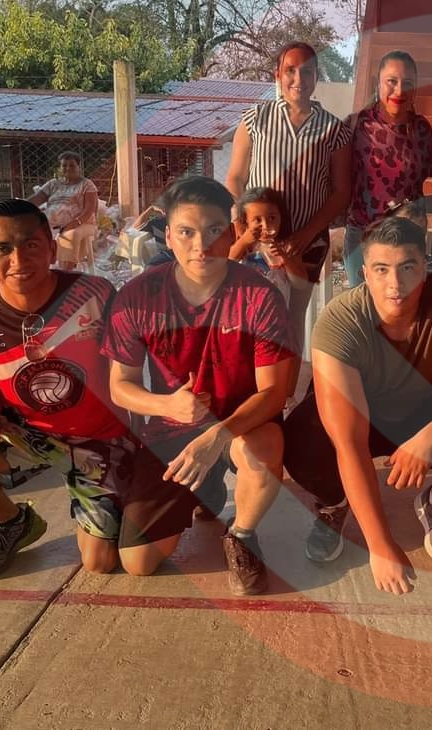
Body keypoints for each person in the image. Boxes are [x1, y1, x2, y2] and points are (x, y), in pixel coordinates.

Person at [0, 199, 177, 582]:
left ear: (51, 247)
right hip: (23, 435)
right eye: (3, 249)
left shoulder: (95, 294)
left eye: (30, 245)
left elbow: (131, 368)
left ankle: (120, 494)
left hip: (99, 440)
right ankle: (13, 523)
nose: (18, 260)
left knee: (100, 562)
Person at [283, 217, 432, 595]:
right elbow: (349, 442)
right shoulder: (340, 322)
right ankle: (334, 503)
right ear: (364, 273)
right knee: (300, 444)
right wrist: (379, 545)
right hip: (366, 415)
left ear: (425, 265)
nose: (395, 283)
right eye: (381, 269)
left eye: (407, 267)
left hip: (429, 410)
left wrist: (429, 438)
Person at [104, 177, 292, 596]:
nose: (201, 245)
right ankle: (207, 490)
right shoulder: (137, 296)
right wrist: (167, 405)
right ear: (169, 236)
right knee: (138, 563)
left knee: (263, 451)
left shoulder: (260, 297)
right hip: (172, 426)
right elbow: (120, 385)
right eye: (186, 232)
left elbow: (274, 393)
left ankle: (242, 535)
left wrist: (217, 434)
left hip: (241, 424)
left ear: (232, 232)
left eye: (213, 230)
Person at [225, 42, 351, 397]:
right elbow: (235, 177)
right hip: (257, 240)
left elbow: (341, 192)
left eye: (307, 71)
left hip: (305, 243)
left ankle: (283, 397)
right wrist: (242, 230)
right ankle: (248, 393)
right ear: (277, 75)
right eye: (290, 71)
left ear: (316, 76)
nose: (299, 78)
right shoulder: (255, 119)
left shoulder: (334, 130)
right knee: (249, 316)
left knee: (292, 320)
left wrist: (305, 235)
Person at [343, 50, 432, 287]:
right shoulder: (356, 125)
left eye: (407, 83)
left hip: (407, 241)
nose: (399, 90)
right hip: (363, 239)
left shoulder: (421, 130)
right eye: (391, 81)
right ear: (378, 83)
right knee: (365, 307)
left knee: (404, 307)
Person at [26, 151, 98, 271]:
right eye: (64, 165)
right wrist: (19, 206)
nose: (68, 168)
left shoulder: (87, 184)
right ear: (60, 167)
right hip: (52, 223)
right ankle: (38, 269)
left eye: (72, 165)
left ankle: (66, 273)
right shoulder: (53, 184)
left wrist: (75, 223)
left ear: (79, 167)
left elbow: (89, 210)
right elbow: (36, 200)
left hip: (83, 223)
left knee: (70, 235)